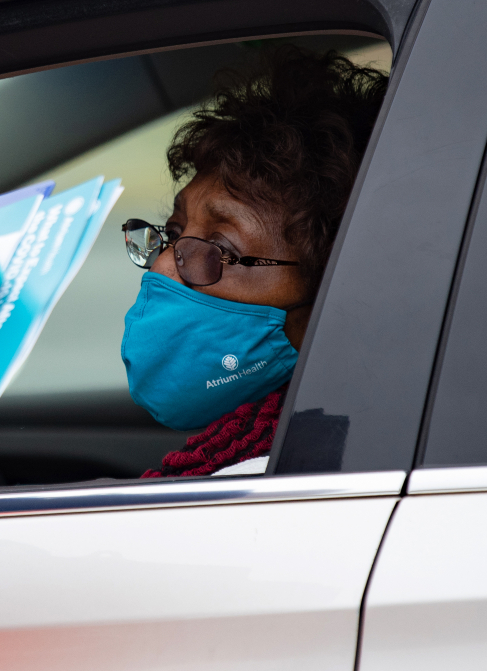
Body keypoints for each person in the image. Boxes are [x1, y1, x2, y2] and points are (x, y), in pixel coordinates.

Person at [119, 46, 387, 477]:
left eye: (220, 250)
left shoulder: (273, 479)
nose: (163, 265)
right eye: (172, 235)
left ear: (332, 289)